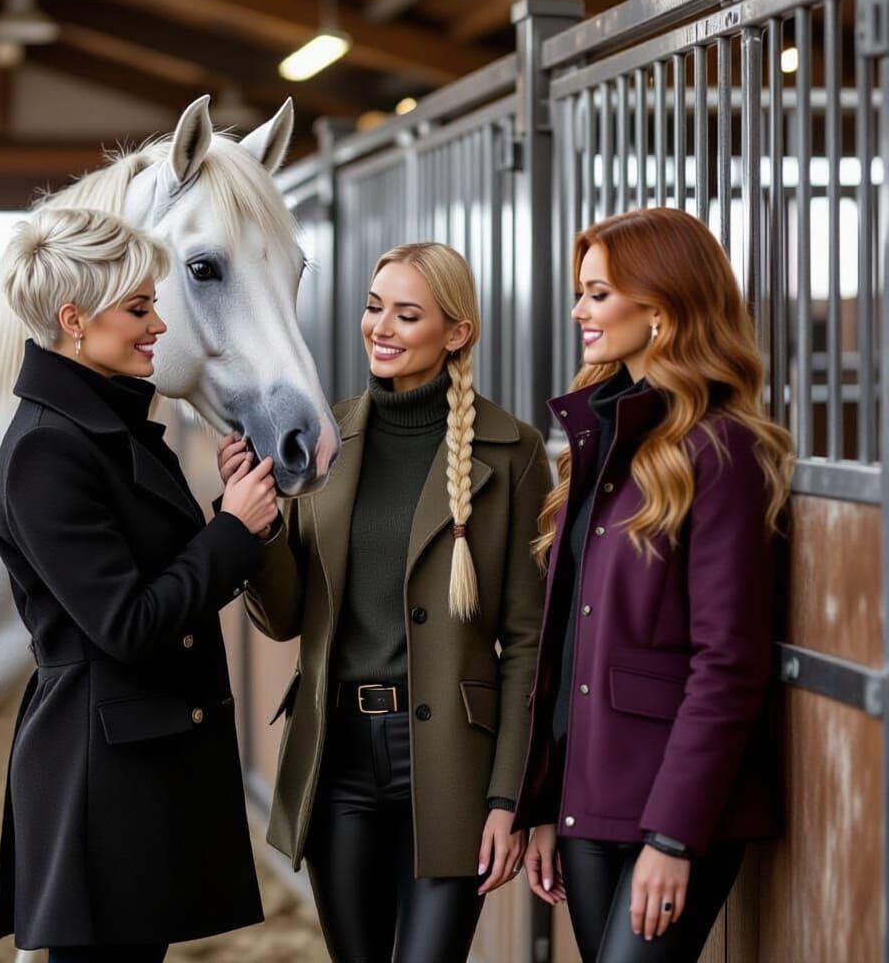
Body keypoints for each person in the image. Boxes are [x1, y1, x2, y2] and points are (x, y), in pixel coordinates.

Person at [230, 241, 549, 963]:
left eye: (408, 315)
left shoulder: (513, 451)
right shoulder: (323, 436)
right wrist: (258, 527)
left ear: (456, 332)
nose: (382, 328)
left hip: (449, 763)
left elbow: (529, 643)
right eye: (376, 308)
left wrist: (509, 797)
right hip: (336, 755)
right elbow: (284, 618)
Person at [0, 207, 277, 962]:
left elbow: (150, 571)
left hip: (134, 765)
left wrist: (228, 509)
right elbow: (126, 622)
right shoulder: (48, 450)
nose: (159, 327)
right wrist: (232, 533)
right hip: (99, 778)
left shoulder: (100, 431)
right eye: (141, 308)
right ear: (75, 320)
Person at [514, 207, 793, 962]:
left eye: (598, 294)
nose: (579, 310)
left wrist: (673, 836)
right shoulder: (599, 436)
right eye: (583, 292)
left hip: (672, 811)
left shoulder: (722, 449)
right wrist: (544, 804)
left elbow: (729, 660)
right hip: (588, 802)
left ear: (661, 309)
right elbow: (567, 637)